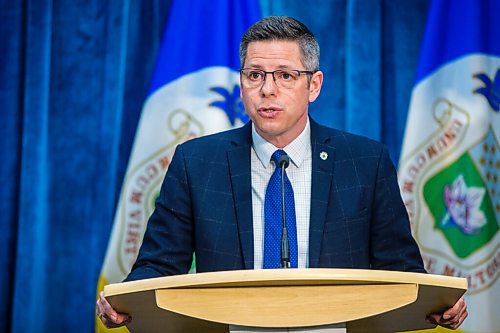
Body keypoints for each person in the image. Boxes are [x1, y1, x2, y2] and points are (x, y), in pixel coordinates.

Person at [96, 16, 467, 330]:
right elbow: (158, 264)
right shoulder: (197, 162)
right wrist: (122, 301)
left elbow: (400, 270)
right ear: (241, 83)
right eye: (255, 74)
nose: (268, 90)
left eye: (286, 76)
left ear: (314, 85)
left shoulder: (365, 161)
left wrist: (441, 305)